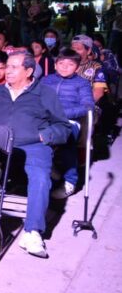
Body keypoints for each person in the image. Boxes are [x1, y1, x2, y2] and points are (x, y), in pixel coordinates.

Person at [0, 52, 69, 258]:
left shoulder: (45, 93)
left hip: (32, 145)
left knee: (39, 177)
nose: (7, 71)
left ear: (28, 71)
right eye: (7, 66)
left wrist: (44, 136)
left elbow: (63, 127)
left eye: (13, 67)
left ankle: (33, 231)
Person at [41, 49, 94, 200]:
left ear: (77, 68)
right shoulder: (47, 79)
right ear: (55, 65)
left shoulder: (82, 83)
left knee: (66, 146)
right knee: (31, 141)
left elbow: (87, 106)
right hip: (44, 119)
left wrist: (62, 113)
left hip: (68, 121)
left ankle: (70, 181)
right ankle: (52, 171)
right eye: (61, 63)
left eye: (70, 64)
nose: (64, 67)